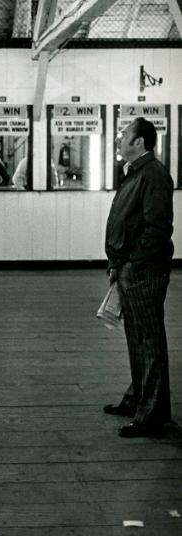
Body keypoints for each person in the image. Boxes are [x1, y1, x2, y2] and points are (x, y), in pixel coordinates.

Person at [104, 117, 174, 438]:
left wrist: (132, 263)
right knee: (137, 339)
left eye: (125, 136)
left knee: (148, 341)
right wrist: (118, 264)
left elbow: (158, 230)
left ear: (140, 143)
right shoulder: (136, 173)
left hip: (144, 271)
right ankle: (138, 400)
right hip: (130, 270)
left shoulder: (154, 176)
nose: (120, 139)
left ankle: (153, 415)